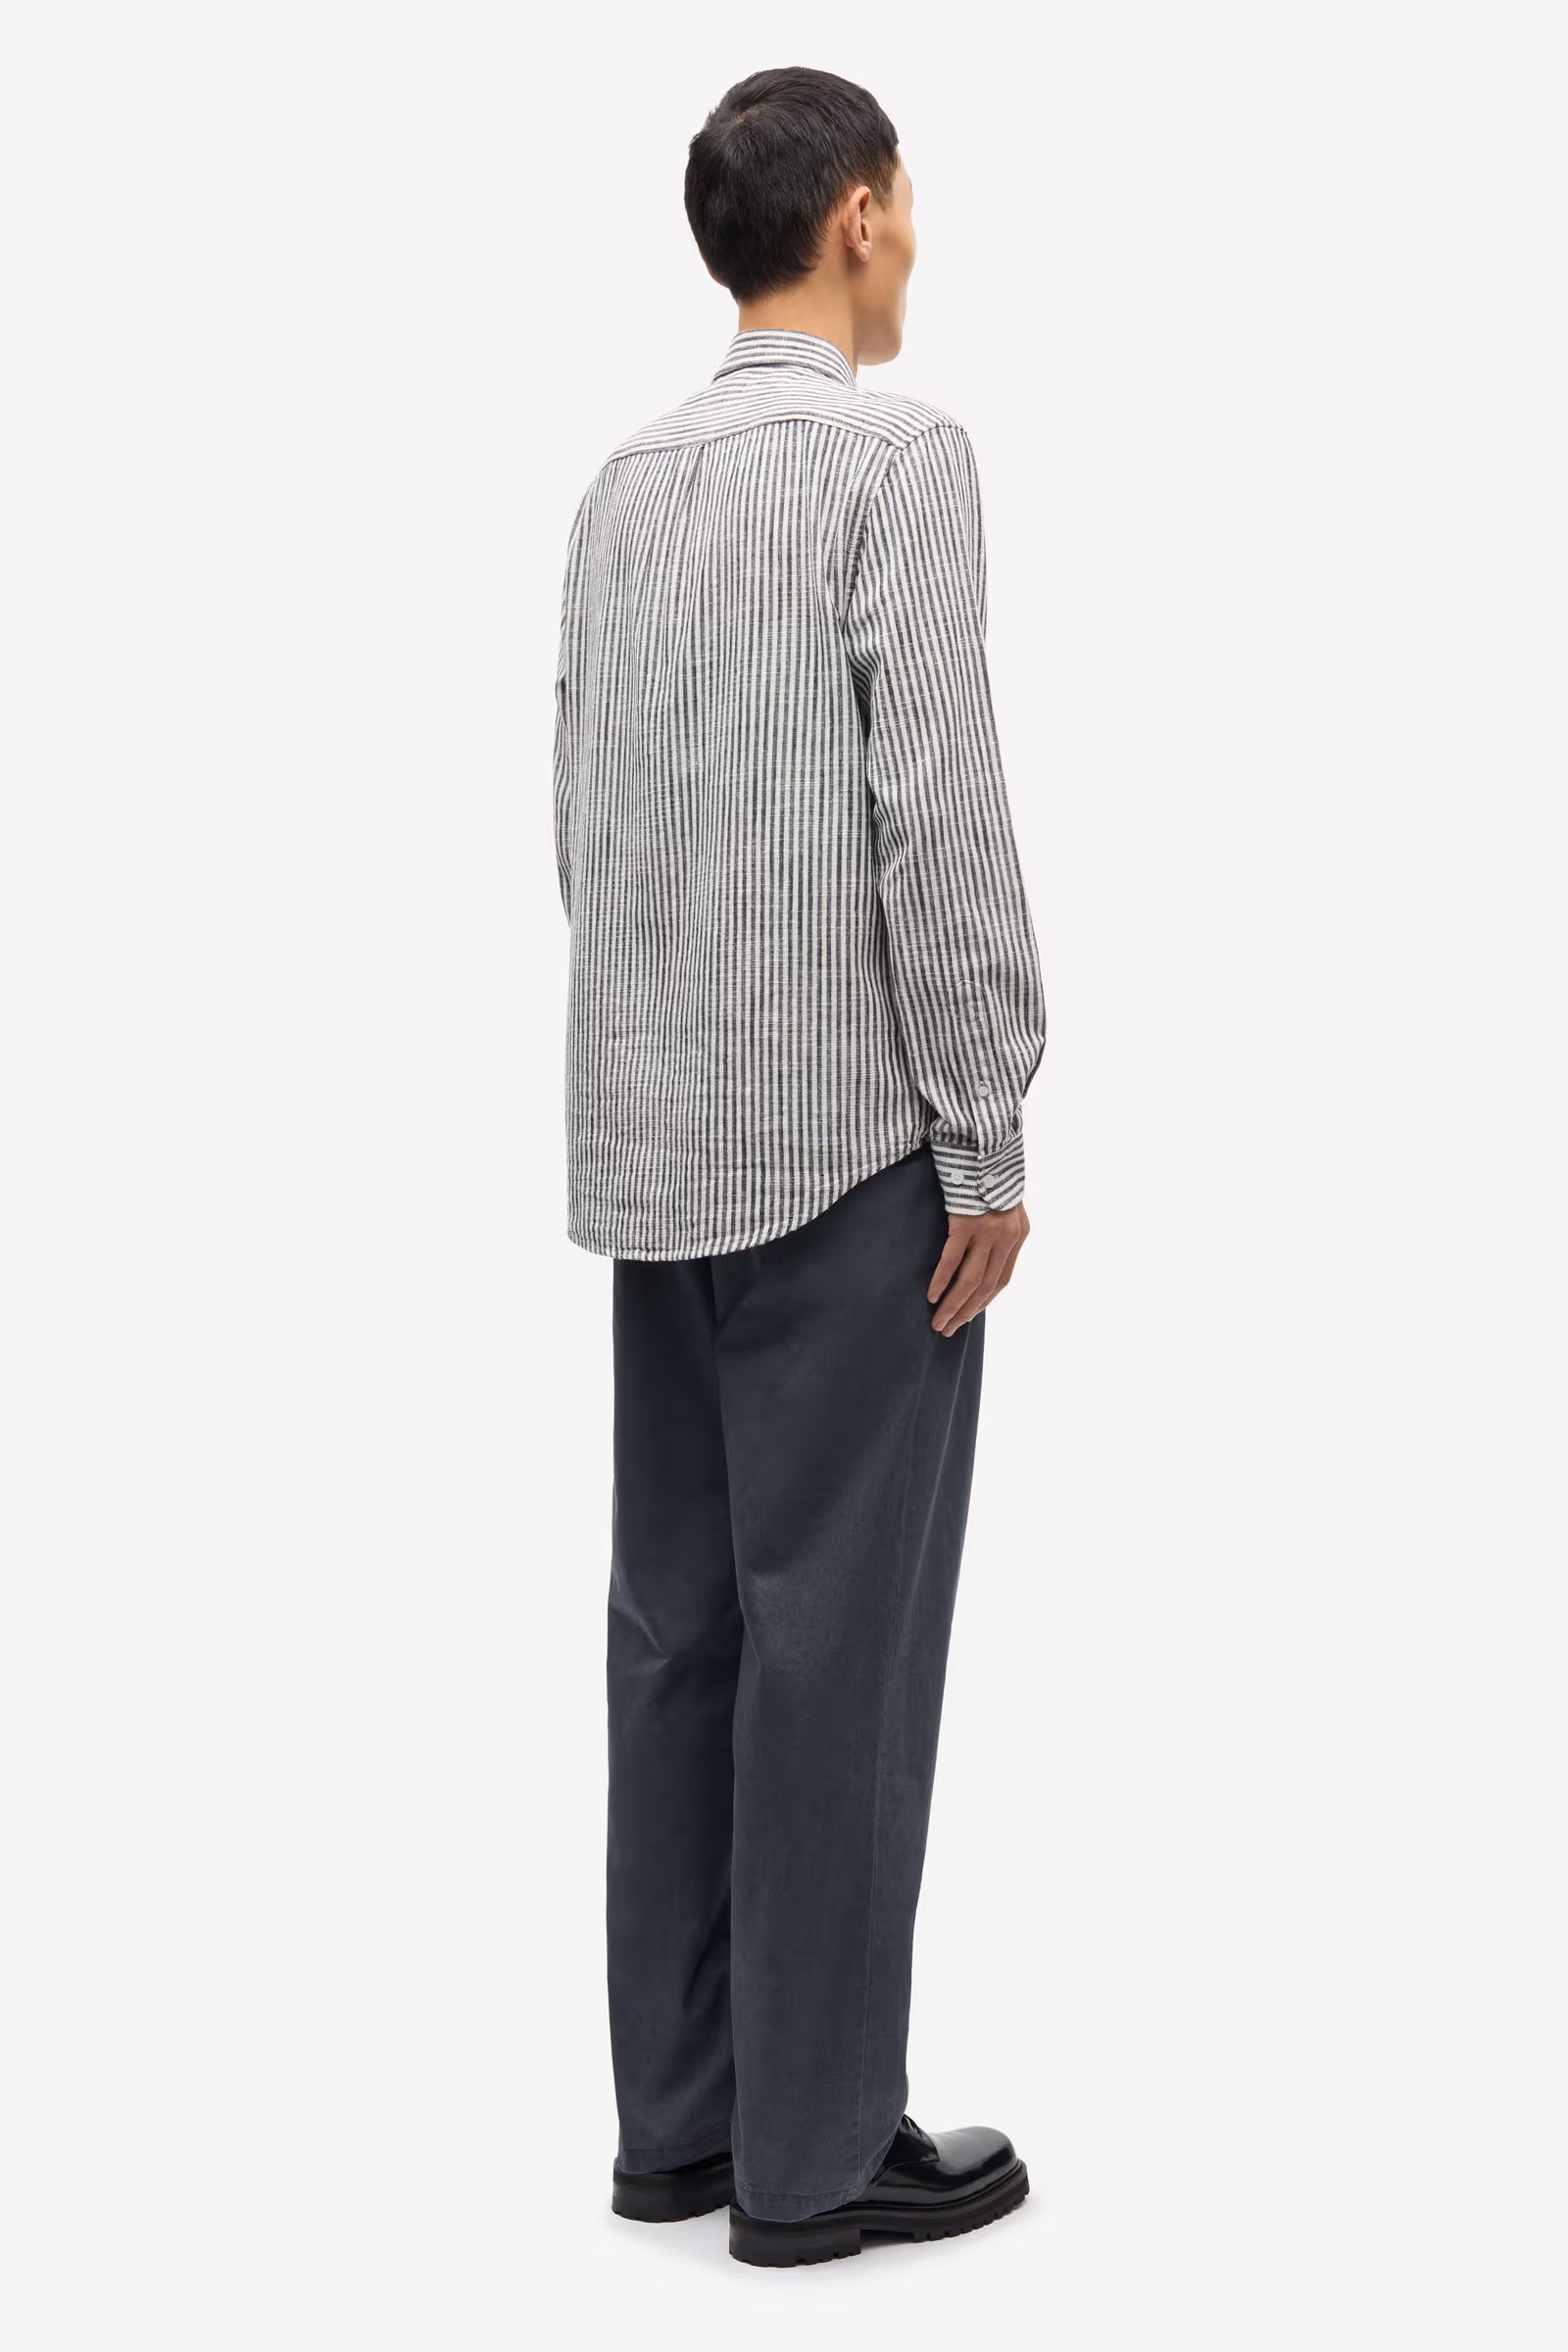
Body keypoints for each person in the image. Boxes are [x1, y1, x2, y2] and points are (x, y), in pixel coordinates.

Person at [551, 66, 1048, 2267]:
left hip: (654, 1145)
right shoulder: (894, 460)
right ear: (852, 215)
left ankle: (677, 2122)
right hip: (850, 1154)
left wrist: (653, 1069)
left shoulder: (621, 487)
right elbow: (933, 806)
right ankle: (819, 2150)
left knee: (677, 1637)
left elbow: (578, 817)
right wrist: (985, 1130)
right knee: (837, 1650)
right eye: (906, 199)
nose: (916, 234)